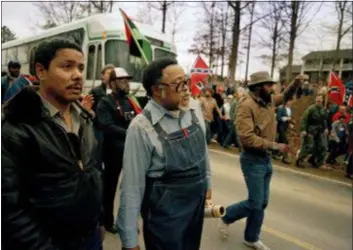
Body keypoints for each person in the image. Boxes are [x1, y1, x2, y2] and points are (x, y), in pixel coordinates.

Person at [1, 38, 104, 250]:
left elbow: (91, 174)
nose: (78, 75)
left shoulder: (85, 119)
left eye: (81, 68)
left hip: (90, 238)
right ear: (41, 71)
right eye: (67, 66)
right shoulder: (16, 130)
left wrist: (98, 222)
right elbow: (9, 211)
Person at [117, 58, 212, 250]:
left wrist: (207, 183)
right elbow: (132, 187)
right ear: (157, 90)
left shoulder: (193, 108)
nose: (186, 89)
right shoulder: (141, 128)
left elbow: (203, 151)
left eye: (186, 81)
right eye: (178, 84)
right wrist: (130, 240)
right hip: (165, 216)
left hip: (196, 207)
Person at [218, 71, 304, 250]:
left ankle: (251, 237)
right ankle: (226, 216)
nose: (272, 88)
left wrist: (295, 83)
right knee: (255, 203)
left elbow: (285, 95)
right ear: (258, 87)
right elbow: (247, 138)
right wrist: (274, 145)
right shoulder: (246, 106)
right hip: (252, 160)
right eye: (269, 85)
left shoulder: (269, 100)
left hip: (265, 159)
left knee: (262, 203)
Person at [96, 67, 141, 233]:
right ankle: (107, 222)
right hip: (112, 152)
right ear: (113, 83)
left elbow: (138, 119)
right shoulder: (105, 102)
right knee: (110, 188)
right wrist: (130, 133)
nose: (126, 83)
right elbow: (106, 126)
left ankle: (128, 223)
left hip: (131, 150)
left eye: (127, 80)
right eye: (123, 80)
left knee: (131, 188)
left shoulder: (130, 101)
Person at [296, 95, 329, 169]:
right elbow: (304, 119)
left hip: (320, 130)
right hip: (310, 129)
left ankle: (315, 161)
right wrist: (303, 129)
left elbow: (324, 120)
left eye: (320, 100)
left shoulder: (323, 110)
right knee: (309, 146)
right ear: (315, 100)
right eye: (317, 100)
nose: (319, 101)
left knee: (322, 146)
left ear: (322, 101)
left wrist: (326, 128)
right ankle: (300, 160)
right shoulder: (311, 108)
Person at [276, 98, 294, 164]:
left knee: (280, 141)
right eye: (289, 101)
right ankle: (285, 158)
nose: (290, 102)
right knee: (285, 142)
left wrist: (291, 122)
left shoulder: (291, 109)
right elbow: (278, 118)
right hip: (281, 127)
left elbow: (290, 118)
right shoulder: (281, 108)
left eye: (291, 101)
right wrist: (286, 118)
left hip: (286, 127)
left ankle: (277, 154)